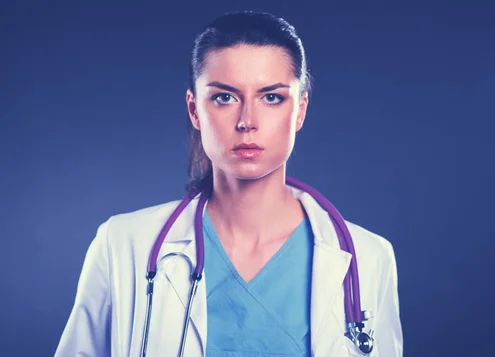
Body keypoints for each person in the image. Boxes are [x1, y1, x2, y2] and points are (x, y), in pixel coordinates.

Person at [54, 10, 403, 357]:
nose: (247, 121)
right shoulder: (123, 244)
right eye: (224, 97)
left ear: (299, 110)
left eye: (271, 97)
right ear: (195, 110)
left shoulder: (370, 258)